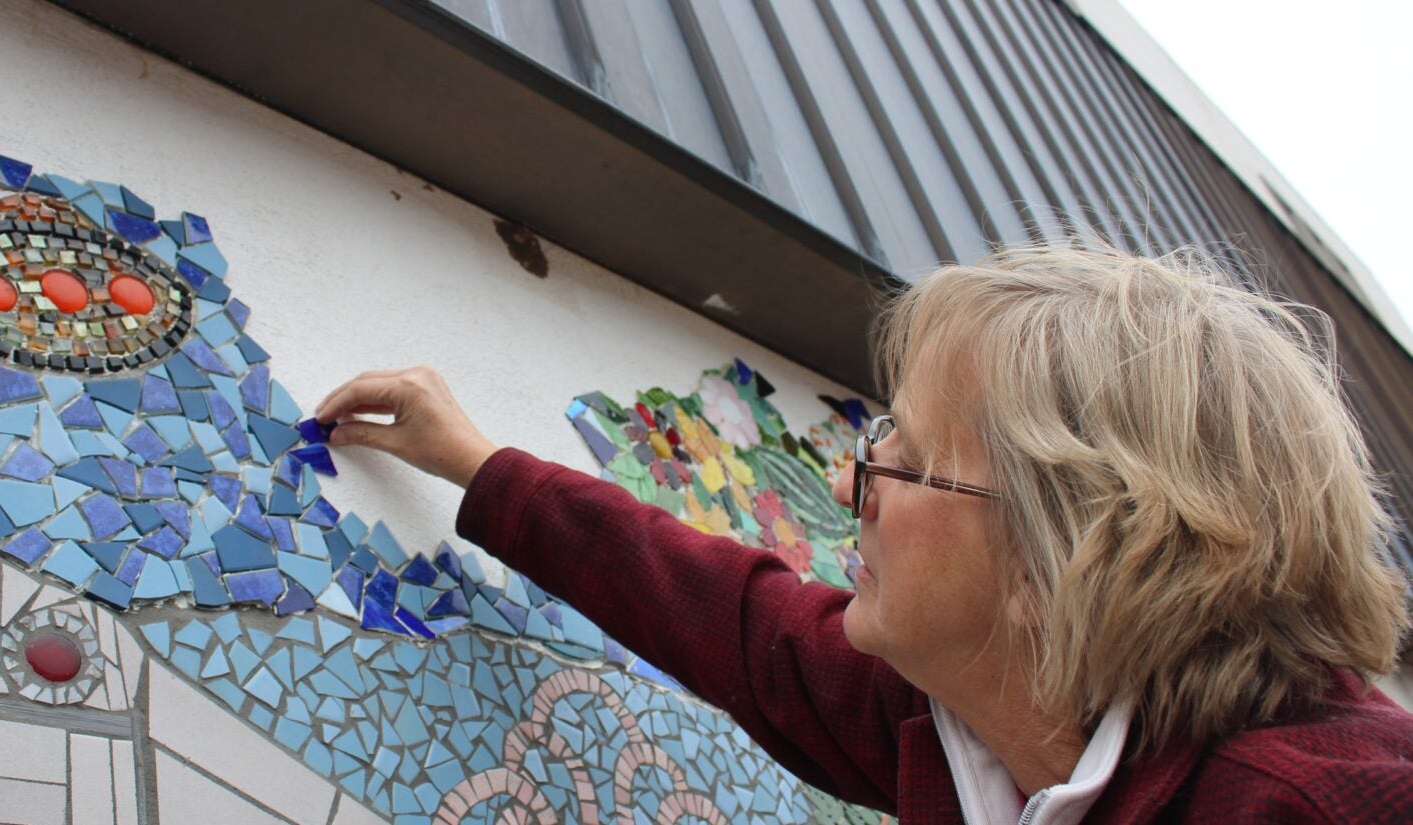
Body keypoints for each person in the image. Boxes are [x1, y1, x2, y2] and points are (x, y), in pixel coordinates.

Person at [314, 246, 1413, 824]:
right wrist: (478, 465)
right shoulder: (966, 716)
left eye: (906, 452)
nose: (853, 477)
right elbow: (744, 626)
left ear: (1060, 554)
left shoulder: (1327, 805)